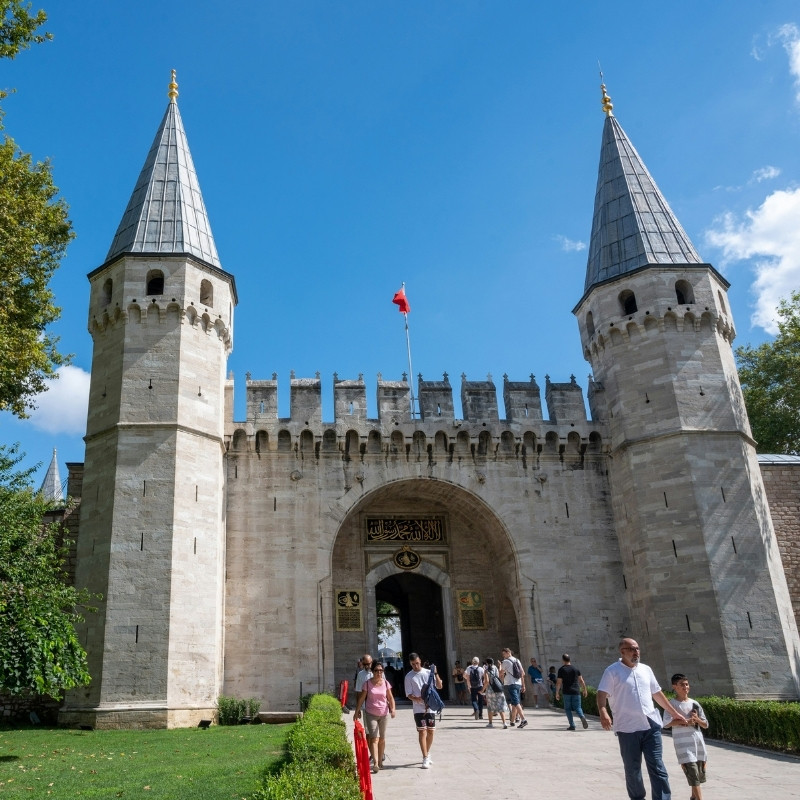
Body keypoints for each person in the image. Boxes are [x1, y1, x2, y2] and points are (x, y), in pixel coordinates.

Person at [596, 637, 686, 800]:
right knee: (632, 769)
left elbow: (656, 693)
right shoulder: (612, 671)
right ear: (622, 652)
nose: (636, 652)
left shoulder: (646, 669)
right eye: (632, 649)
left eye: (637, 648)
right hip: (627, 728)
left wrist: (674, 713)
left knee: (657, 766)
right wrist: (603, 711)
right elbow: (602, 693)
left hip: (651, 725)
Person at [662, 674, 709, 800]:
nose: (685, 687)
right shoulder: (671, 704)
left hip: (698, 744)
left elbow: (705, 724)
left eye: (687, 684)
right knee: (692, 774)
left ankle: (693, 797)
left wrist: (697, 719)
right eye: (682, 684)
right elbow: (665, 723)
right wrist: (684, 721)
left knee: (698, 776)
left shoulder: (695, 703)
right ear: (674, 686)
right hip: (683, 745)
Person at [354, 662, 396, 773]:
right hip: (371, 713)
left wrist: (393, 709)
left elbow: (390, 697)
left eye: (381, 670)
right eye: (376, 670)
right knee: (374, 738)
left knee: (382, 738)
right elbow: (362, 698)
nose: (379, 673)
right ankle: (376, 763)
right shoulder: (367, 684)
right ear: (372, 672)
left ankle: (380, 761)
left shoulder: (386, 683)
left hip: (384, 713)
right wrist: (357, 711)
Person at [404, 652, 443, 769]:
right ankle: (425, 757)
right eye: (413, 664)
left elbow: (440, 686)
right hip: (418, 708)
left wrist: (435, 673)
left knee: (431, 731)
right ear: (410, 664)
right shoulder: (409, 676)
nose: (415, 666)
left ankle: (427, 752)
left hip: (430, 707)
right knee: (422, 731)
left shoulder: (428, 673)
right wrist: (417, 699)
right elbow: (408, 694)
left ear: (420, 661)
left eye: (417, 663)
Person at [555, 652, 588, 730]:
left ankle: (572, 725)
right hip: (576, 691)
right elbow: (581, 681)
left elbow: (559, 682)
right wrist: (585, 690)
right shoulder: (576, 669)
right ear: (570, 660)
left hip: (567, 691)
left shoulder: (561, 670)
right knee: (578, 707)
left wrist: (557, 692)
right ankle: (582, 716)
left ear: (563, 660)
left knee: (568, 709)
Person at [500, 647, 528, 728]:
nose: (503, 656)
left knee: (515, 702)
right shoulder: (517, 660)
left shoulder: (505, 661)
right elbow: (523, 673)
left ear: (508, 653)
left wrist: (500, 666)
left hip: (510, 683)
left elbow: (500, 673)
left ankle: (523, 719)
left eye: (504, 654)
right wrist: (523, 685)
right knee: (514, 703)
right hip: (518, 683)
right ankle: (512, 721)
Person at [482, 657, 509, 728]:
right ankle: (504, 723)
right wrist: (500, 665)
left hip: (490, 691)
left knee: (490, 707)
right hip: (498, 689)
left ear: (486, 663)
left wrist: (482, 690)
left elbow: (487, 681)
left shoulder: (486, 670)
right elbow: (500, 675)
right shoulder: (495, 668)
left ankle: (490, 723)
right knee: (500, 706)